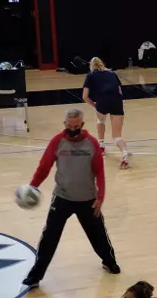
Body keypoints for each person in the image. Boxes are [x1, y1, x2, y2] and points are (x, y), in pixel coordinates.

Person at [21, 107, 119, 287]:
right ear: (65, 124)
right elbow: (44, 167)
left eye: (76, 126)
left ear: (82, 124)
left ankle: (109, 261)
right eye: (69, 125)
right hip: (62, 198)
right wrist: (33, 186)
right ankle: (36, 275)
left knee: (98, 235)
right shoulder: (57, 141)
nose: (72, 129)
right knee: (49, 237)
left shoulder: (92, 143)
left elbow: (100, 172)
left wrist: (101, 197)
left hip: (88, 199)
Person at [81, 57, 131, 169]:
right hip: (117, 102)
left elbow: (85, 96)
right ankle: (125, 153)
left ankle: (101, 145)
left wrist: (95, 106)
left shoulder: (91, 75)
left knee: (100, 119)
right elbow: (120, 91)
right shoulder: (112, 73)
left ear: (92, 66)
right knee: (117, 136)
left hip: (102, 101)